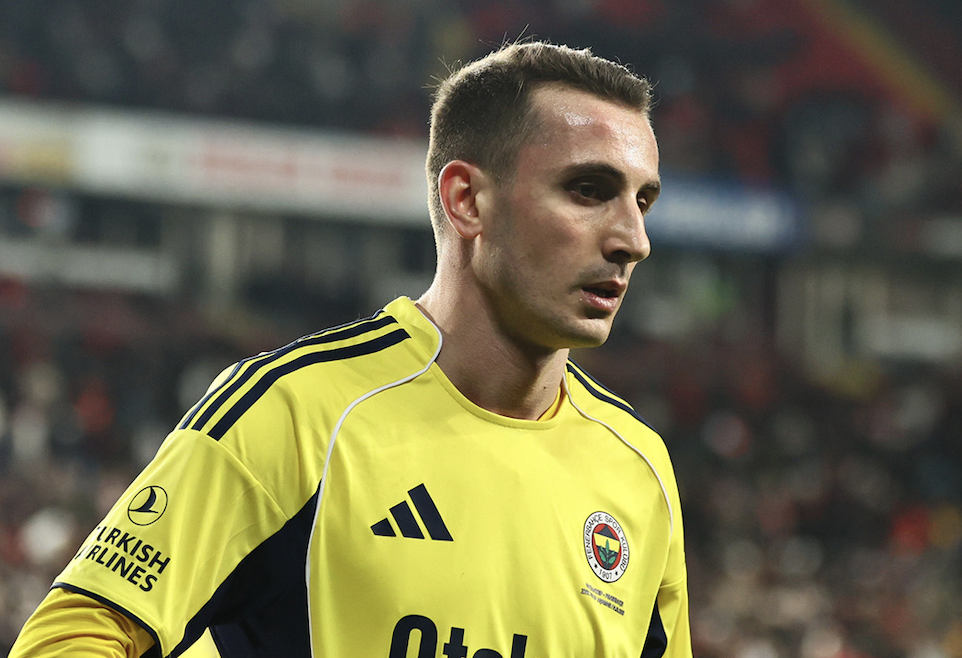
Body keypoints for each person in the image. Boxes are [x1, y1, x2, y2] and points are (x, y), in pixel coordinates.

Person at [11, 41, 691, 657]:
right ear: (467, 201)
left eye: (643, 201)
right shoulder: (295, 412)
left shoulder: (640, 467)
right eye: (588, 191)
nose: (633, 240)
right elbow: (68, 640)